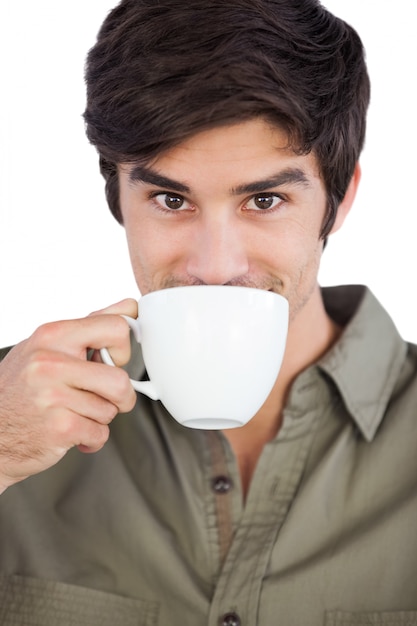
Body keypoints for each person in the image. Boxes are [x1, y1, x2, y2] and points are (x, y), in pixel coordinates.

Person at [0, 0, 416, 623]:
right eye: (171, 198)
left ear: (340, 200)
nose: (215, 266)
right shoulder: (11, 408)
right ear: (115, 194)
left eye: (266, 200)